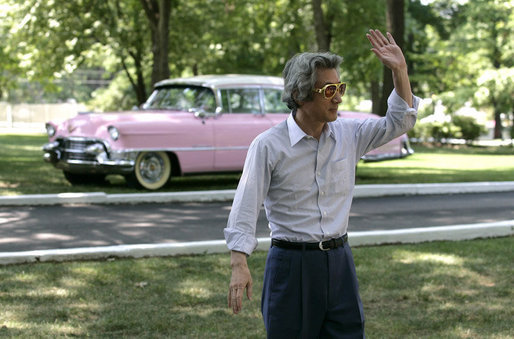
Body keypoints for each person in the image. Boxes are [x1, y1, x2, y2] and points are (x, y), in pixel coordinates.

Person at [224, 29, 420, 338]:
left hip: (340, 262)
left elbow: (400, 122)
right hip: (291, 266)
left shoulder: (349, 134)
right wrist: (239, 263)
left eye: (340, 87)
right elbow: (245, 206)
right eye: (329, 90)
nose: (339, 97)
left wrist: (400, 71)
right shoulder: (268, 146)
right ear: (301, 95)